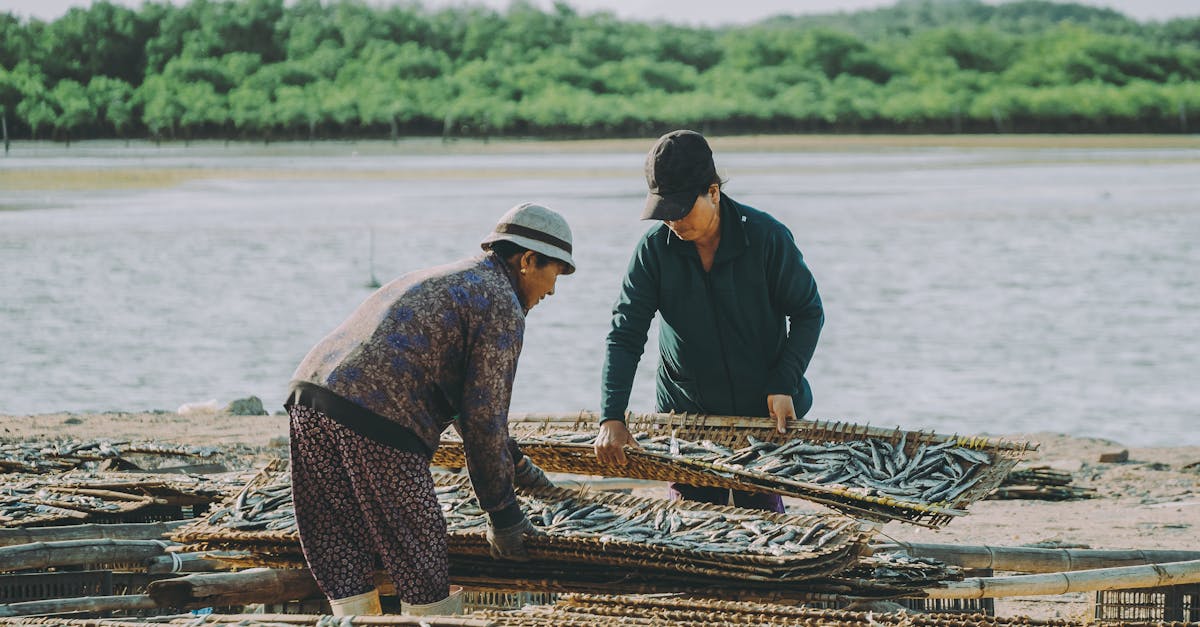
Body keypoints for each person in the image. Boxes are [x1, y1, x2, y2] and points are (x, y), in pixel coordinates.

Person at [286, 203, 572, 616]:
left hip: (309, 396)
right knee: (419, 550)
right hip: (378, 414)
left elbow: (467, 410)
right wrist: (504, 515)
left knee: (340, 544)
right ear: (528, 261)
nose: (552, 292)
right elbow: (483, 421)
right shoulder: (500, 302)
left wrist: (522, 472)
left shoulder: (456, 278)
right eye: (554, 275)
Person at [594, 130, 823, 513]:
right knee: (691, 522)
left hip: (762, 411)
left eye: (682, 209)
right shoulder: (653, 251)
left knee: (764, 517)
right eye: (664, 211)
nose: (673, 221)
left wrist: (784, 383)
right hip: (687, 413)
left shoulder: (767, 238)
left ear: (713, 192)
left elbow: (808, 312)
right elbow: (626, 335)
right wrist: (612, 416)